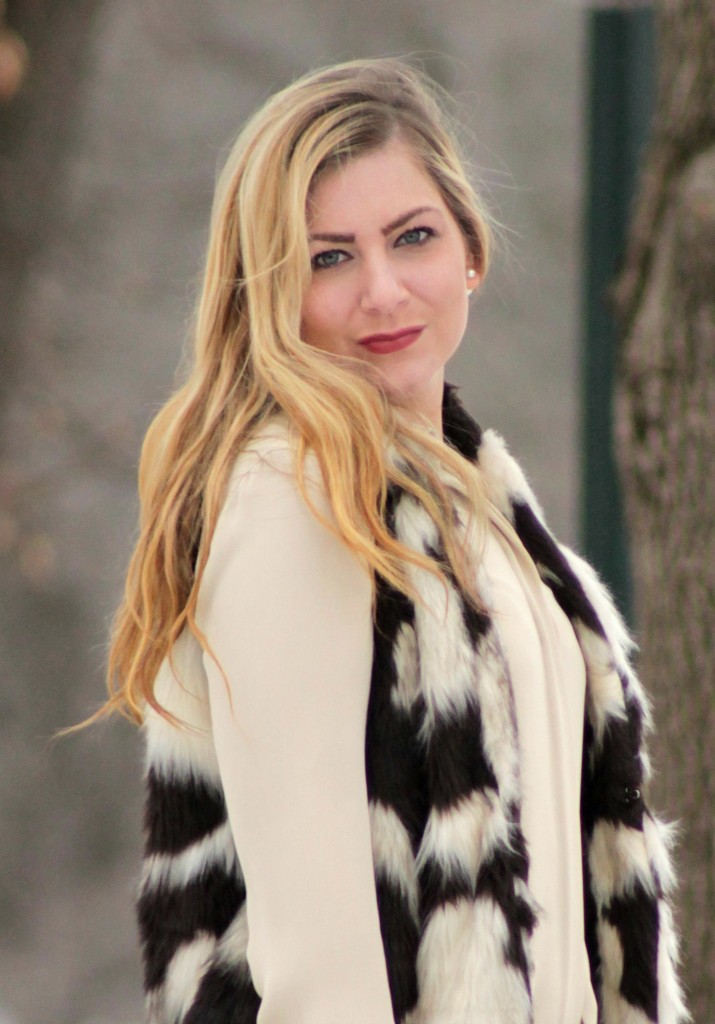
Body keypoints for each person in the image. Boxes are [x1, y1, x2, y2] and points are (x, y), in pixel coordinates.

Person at [105, 59, 689, 1024]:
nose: (381, 291)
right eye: (327, 258)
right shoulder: (295, 498)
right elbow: (324, 960)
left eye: (410, 238)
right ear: (271, 295)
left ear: (470, 251)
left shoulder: (473, 503)